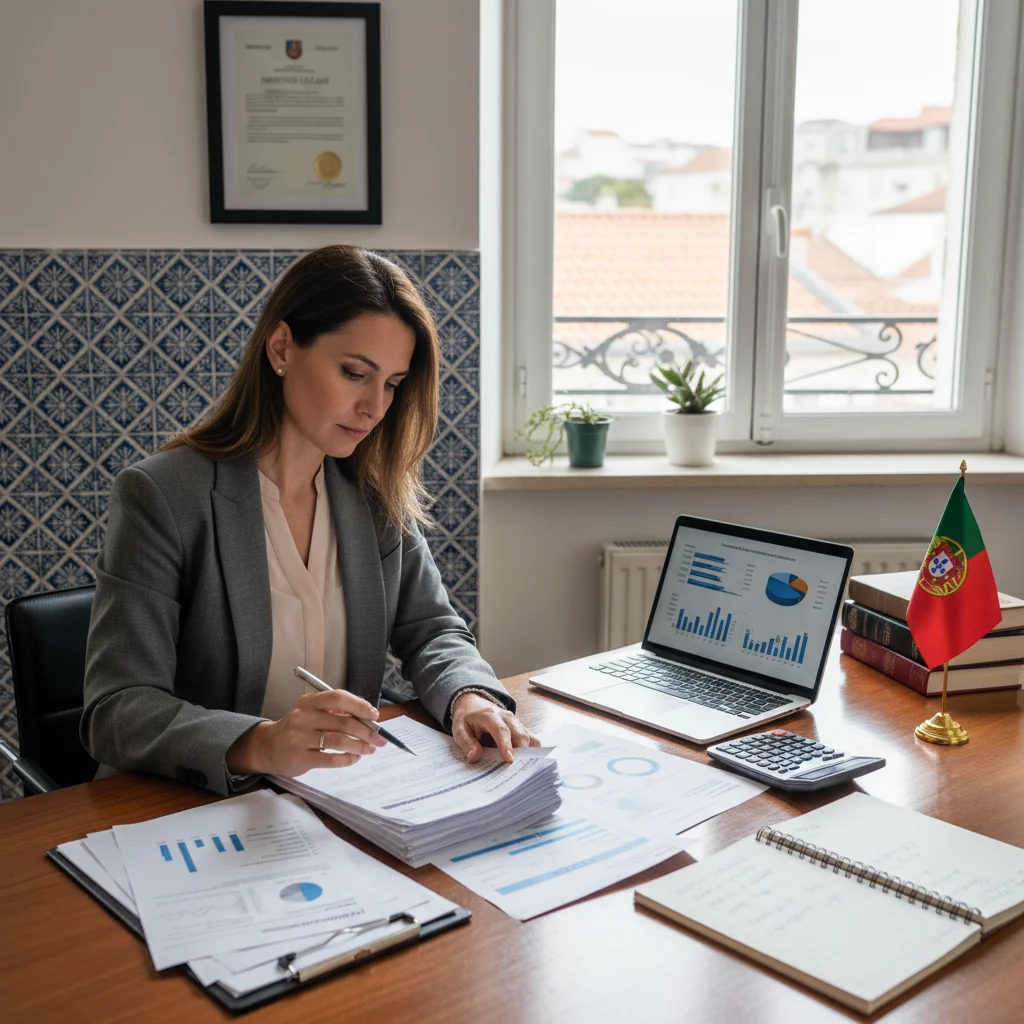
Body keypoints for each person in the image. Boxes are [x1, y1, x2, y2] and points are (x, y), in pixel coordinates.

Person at [81, 245, 537, 795]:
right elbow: (117, 708)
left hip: (340, 801)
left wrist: (469, 695)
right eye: (354, 373)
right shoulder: (164, 495)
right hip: (192, 807)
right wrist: (259, 743)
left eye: (392, 383)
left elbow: (433, 629)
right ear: (281, 348)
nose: (375, 406)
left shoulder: (374, 493)